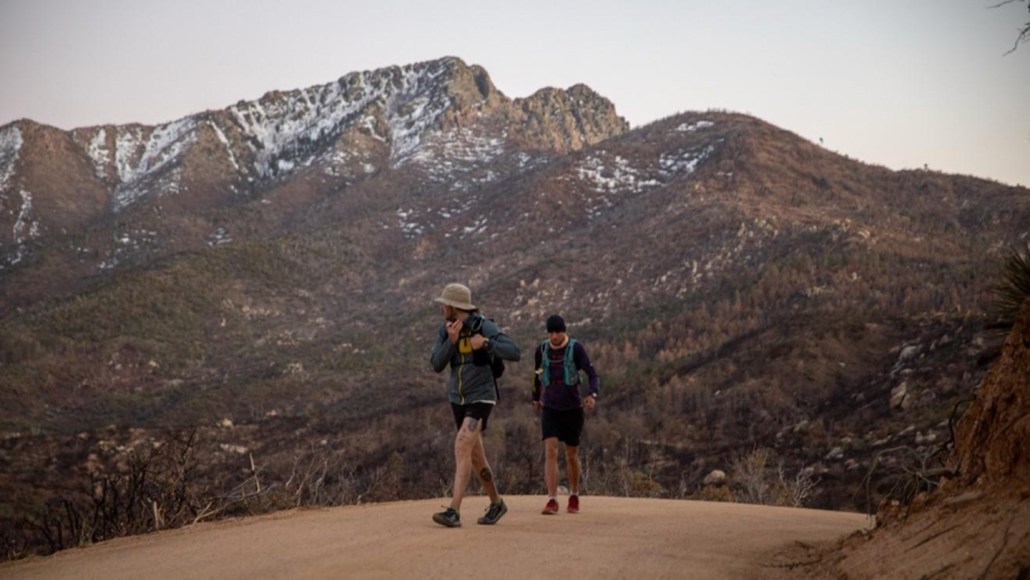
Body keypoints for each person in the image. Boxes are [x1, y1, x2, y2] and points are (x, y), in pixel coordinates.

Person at [430, 283, 521, 527]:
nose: (441, 308)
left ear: (454, 306)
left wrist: (487, 344)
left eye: (444, 304)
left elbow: (514, 351)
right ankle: (496, 503)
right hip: (457, 399)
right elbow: (436, 364)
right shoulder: (445, 329)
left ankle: (454, 511)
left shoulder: (484, 326)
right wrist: (451, 341)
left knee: (461, 445)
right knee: (476, 456)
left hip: (481, 397)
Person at [532, 314, 599, 514]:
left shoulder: (576, 349)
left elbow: (592, 373)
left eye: (557, 332)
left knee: (571, 455)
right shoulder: (542, 350)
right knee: (550, 450)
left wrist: (592, 394)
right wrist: (536, 398)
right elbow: (536, 375)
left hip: (572, 408)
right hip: (550, 407)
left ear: (564, 331)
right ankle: (552, 499)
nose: (554, 336)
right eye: (551, 332)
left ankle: (574, 494)